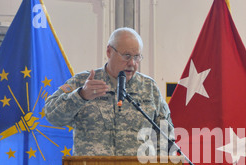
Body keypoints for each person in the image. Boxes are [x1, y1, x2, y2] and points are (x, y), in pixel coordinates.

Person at [45, 27, 174, 156]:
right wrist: (81, 96)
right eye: (127, 56)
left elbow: (165, 135)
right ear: (109, 51)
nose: (132, 63)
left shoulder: (149, 87)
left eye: (137, 57)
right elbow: (51, 115)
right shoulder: (83, 82)